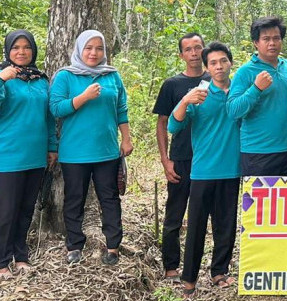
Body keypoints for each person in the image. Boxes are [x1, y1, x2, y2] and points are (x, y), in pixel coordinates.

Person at [49, 30, 133, 265]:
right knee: (74, 198)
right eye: (88, 48)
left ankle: (113, 245)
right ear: (79, 49)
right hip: (74, 152)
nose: (94, 53)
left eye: (99, 48)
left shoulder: (112, 76)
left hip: (106, 150)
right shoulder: (66, 76)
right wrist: (83, 97)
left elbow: (121, 109)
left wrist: (126, 138)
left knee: (110, 198)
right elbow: (56, 109)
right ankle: (74, 245)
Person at [168, 42, 240, 298]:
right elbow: (173, 128)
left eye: (223, 61)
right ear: (207, 67)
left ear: (230, 63)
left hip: (232, 170)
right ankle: (189, 278)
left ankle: (219, 272)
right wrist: (185, 101)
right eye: (213, 63)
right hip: (202, 171)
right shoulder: (199, 94)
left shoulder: (238, 92)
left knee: (226, 225)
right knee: (196, 227)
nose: (219, 66)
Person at [0, 30, 57, 280]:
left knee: (26, 209)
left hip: (36, 155)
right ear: (8, 51)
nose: (21, 52)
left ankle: (21, 256)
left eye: (26, 47)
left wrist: (52, 147)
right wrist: (1, 79)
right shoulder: (4, 77)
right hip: (8, 154)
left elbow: (48, 117)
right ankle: (2, 261)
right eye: (16, 48)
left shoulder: (41, 80)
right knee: (6, 211)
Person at [152, 32, 208, 281]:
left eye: (198, 48)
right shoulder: (172, 85)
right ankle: (171, 266)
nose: (194, 53)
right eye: (189, 49)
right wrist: (165, 159)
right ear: (181, 54)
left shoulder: (215, 79)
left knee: (206, 213)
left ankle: (210, 267)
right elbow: (162, 123)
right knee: (175, 213)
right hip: (181, 158)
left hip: (209, 158)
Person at [227, 17, 287, 176]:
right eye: (266, 39)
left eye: (276, 38)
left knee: (286, 201)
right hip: (258, 153)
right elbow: (233, 110)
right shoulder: (245, 72)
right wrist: (256, 88)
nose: (272, 43)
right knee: (259, 202)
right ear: (256, 42)